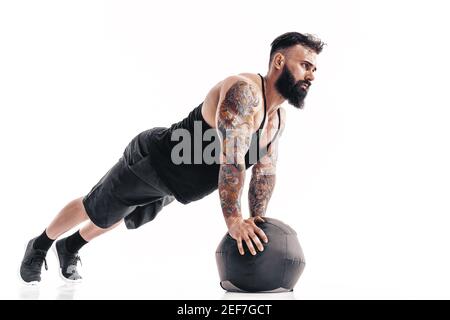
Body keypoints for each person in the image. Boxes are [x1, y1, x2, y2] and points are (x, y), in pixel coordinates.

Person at [19, 32, 324, 284]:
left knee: (119, 214)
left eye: (314, 69)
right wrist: (234, 221)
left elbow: (264, 173)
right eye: (305, 65)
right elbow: (231, 159)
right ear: (279, 61)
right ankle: (40, 245)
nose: (310, 74)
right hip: (152, 163)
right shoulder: (245, 93)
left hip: (175, 185)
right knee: (97, 207)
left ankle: (70, 246)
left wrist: (258, 218)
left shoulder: (277, 120)